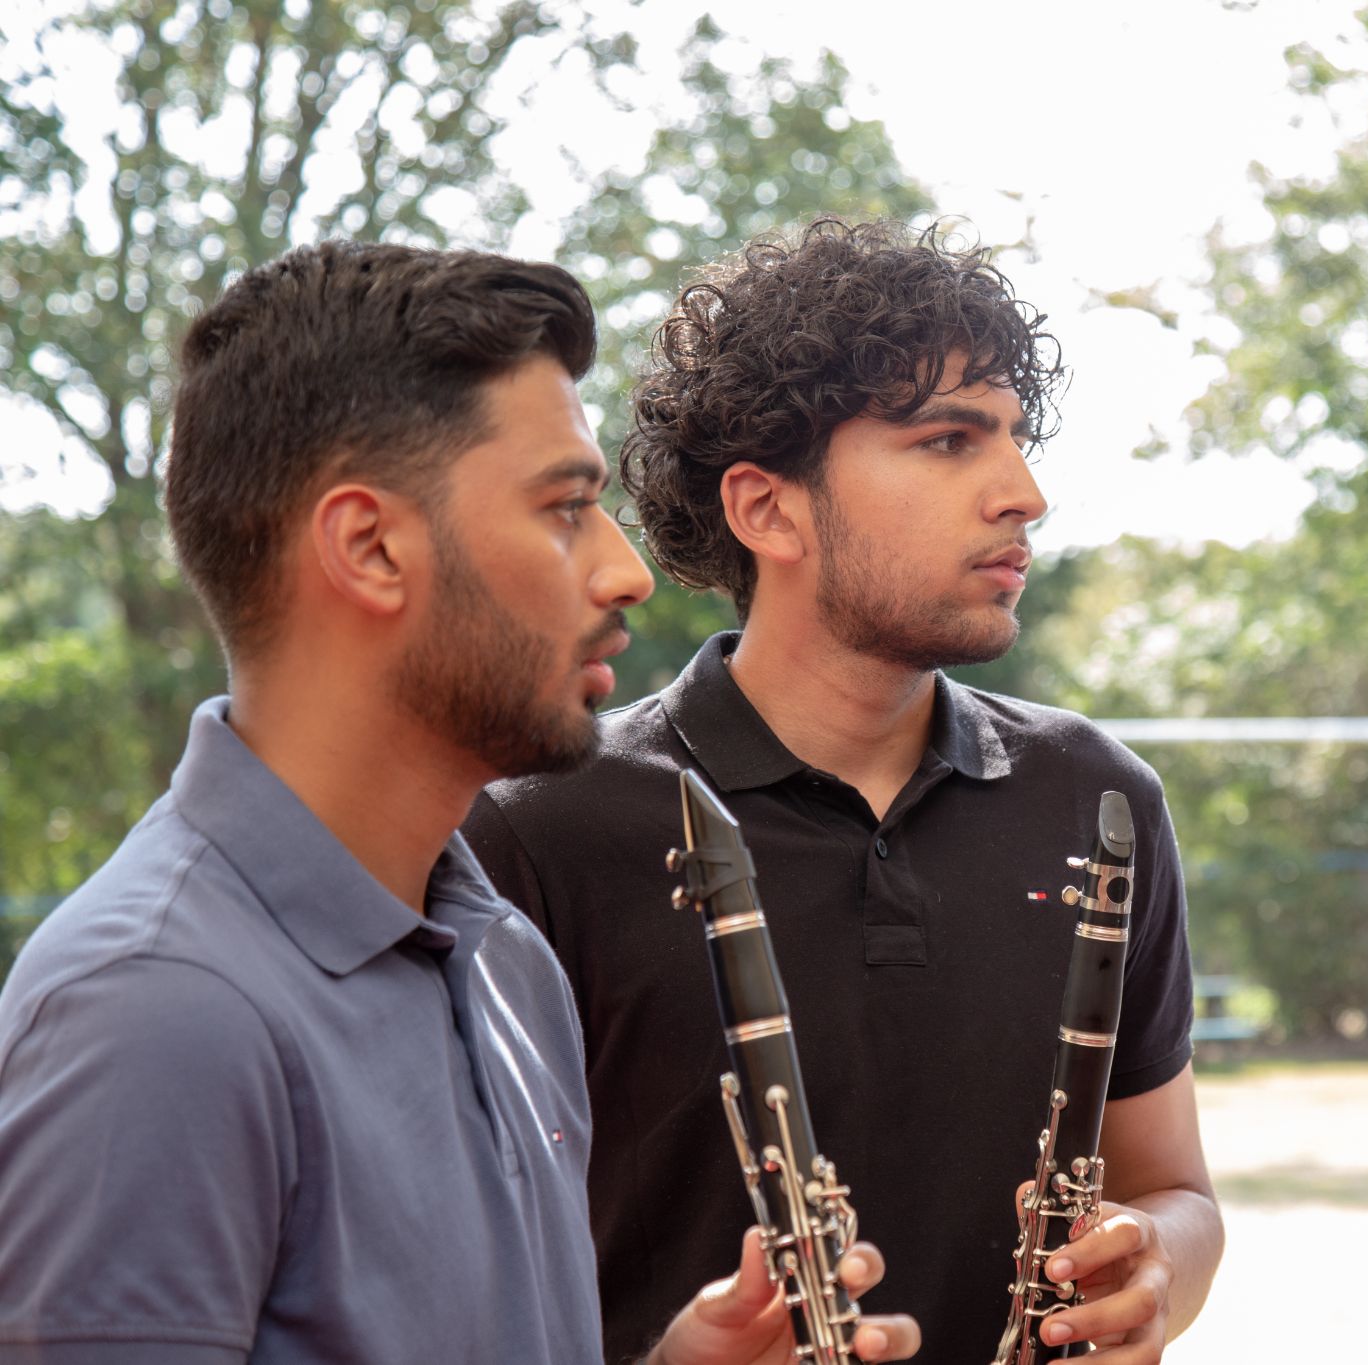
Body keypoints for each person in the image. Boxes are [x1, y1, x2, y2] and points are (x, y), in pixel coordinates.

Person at [0, 241, 917, 1365]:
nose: (626, 572)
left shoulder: (504, 954)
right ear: (370, 546)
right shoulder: (154, 1012)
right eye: (566, 507)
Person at [462, 217, 1223, 1364]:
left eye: (1014, 438)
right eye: (946, 442)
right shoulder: (536, 826)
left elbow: (1174, 1189)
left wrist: (1154, 1265)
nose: (1023, 493)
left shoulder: (1098, 800)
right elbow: (461, 1287)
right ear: (767, 509)